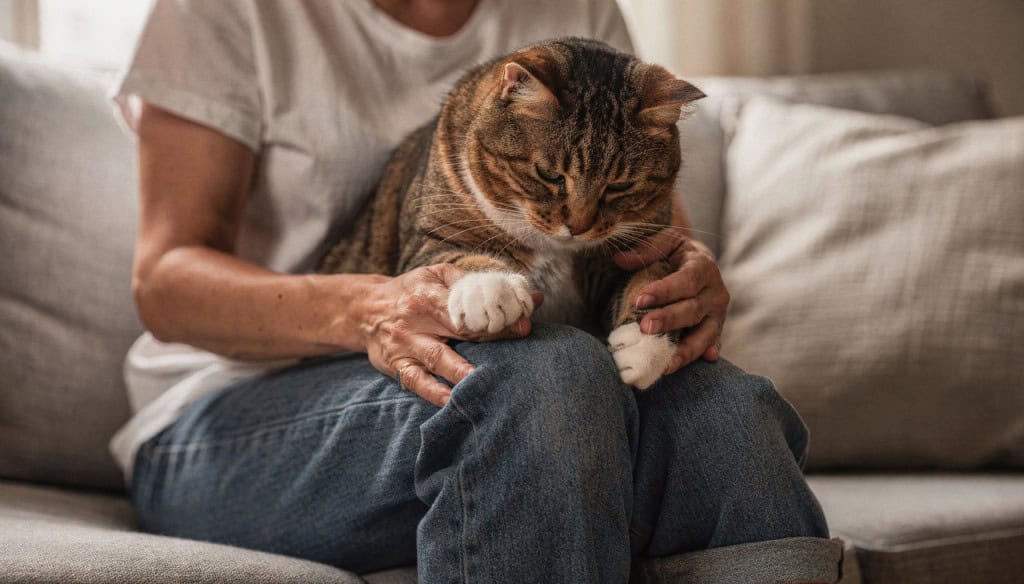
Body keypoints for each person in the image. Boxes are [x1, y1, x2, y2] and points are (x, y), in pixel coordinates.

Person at [111, 0, 840, 581]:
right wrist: (372, 308)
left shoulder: (580, 12)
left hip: (548, 397)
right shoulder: (224, 11)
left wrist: (685, 279)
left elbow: (641, 233)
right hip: (243, 412)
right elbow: (166, 282)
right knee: (546, 378)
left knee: (732, 414)